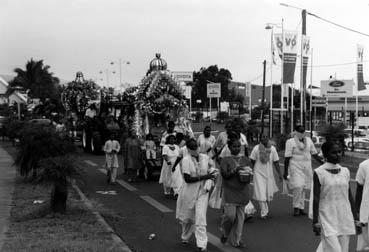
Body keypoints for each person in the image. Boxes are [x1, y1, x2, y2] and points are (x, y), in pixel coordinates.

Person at [312, 141, 361, 252]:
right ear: (325, 155)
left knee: (343, 249)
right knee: (335, 250)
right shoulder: (319, 172)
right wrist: (315, 221)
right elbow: (316, 198)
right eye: (334, 152)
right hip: (327, 217)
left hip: (344, 216)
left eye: (339, 151)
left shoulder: (345, 171)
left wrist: (356, 218)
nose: (338, 154)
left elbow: (349, 196)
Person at [176, 139, 218, 252]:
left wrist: (212, 173)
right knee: (187, 218)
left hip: (203, 192)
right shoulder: (186, 160)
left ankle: (202, 245)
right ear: (188, 149)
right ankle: (185, 236)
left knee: (200, 218)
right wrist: (205, 177)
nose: (196, 149)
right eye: (193, 148)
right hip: (189, 192)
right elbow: (187, 179)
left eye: (197, 146)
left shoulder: (204, 157)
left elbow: (212, 168)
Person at [284, 125, 323, 216]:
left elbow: (314, 154)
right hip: (295, 167)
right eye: (300, 132)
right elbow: (287, 158)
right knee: (298, 186)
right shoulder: (290, 142)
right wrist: (285, 171)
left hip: (306, 167)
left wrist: (323, 163)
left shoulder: (308, 141)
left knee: (304, 187)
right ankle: (296, 207)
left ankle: (301, 208)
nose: (302, 133)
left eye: (303, 132)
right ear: (295, 132)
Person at [220, 137, 252, 248]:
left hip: (243, 191)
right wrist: (235, 170)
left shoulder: (246, 160)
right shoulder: (225, 160)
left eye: (239, 146)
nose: (237, 148)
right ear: (229, 147)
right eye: (234, 146)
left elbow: (250, 176)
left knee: (240, 219)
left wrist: (247, 174)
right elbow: (224, 175)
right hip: (230, 191)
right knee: (230, 216)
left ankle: (236, 240)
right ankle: (225, 232)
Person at [250, 135, 282, 219]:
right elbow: (252, 161)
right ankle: (264, 212)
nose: (264, 139)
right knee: (261, 192)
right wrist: (250, 172)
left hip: (269, 173)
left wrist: (279, 174)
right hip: (258, 173)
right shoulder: (256, 148)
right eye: (262, 137)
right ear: (260, 139)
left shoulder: (273, 149)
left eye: (265, 137)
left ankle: (265, 210)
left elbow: (276, 162)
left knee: (267, 193)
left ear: (268, 139)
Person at [355, 158, 369, 250]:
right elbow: (359, 187)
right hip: (367, 207)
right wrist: (356, 210)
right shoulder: (364, 165)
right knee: (363, 243)